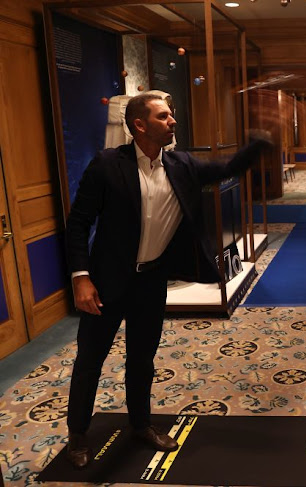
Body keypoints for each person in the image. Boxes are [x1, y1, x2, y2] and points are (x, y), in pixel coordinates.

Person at [64, 93, 271, 468]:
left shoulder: (181, 164)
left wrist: (260, 139)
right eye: (163, 116)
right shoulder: (108, 165)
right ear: (139, 125)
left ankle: (141, 425)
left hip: (151, 280)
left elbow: (230, 166)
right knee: (90, 361)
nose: (173, 120)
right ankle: (77, 436)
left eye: (172, 114)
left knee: (142, 360)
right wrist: (81, 278)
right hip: (107, 282)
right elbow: (78, 223)